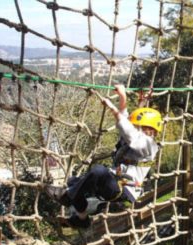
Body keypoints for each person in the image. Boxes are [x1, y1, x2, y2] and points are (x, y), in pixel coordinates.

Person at [45, 84, 162, 228]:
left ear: (150, 130)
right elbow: (127, 123)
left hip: (124, 190)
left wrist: (113, 108)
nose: (135, 128)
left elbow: (130, 131)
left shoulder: (149, 146)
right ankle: (81, 218)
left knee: (97, 171)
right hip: (112, 183)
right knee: (74, 182)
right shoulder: (134, 138)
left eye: (140, 127)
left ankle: (68, 197)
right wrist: (122, 97)